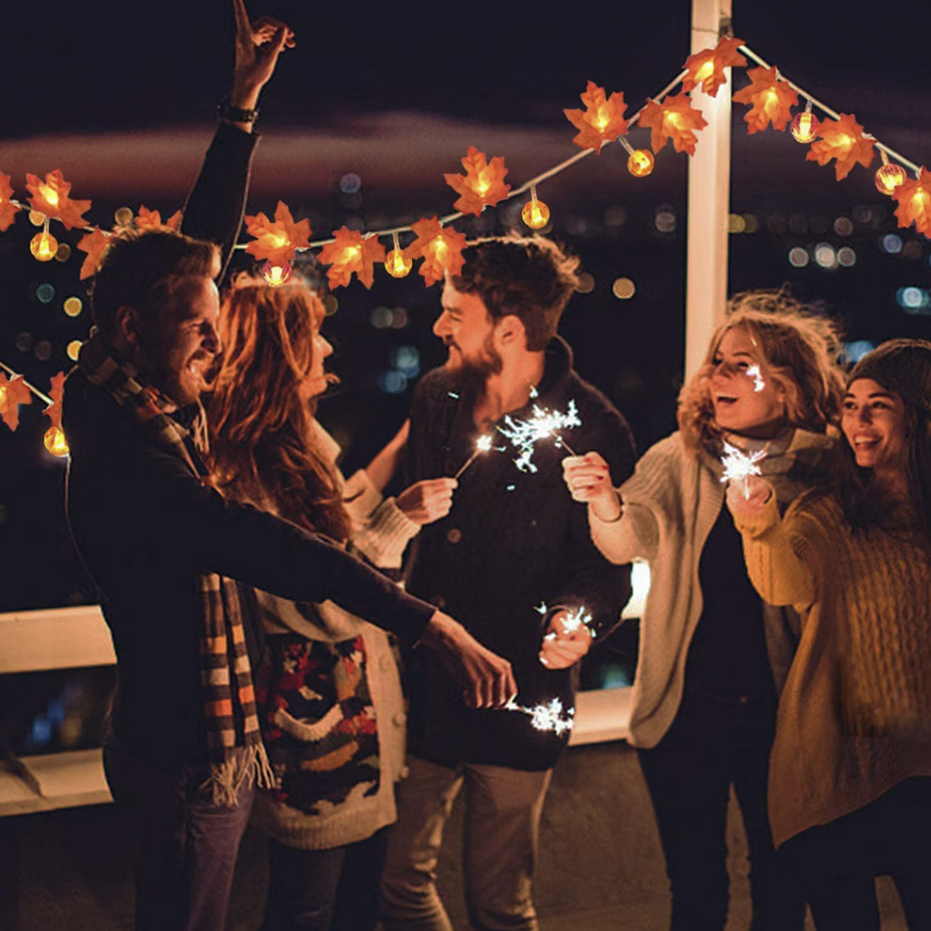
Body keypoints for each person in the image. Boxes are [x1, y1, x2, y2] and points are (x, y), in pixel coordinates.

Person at [61, 15, 515, 929]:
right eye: (198, 325)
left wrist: (240, 109)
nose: (215, 338)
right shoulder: (134, 453)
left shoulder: (127, 392)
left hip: (198, 745)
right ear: (131, 330)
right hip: (187, 757)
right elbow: (274, 547)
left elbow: (200, 257)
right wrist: (429, 624)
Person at [562, 291, 845, 931]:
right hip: (685, 715)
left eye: (740, 364)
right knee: (694, 888)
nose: (718, 376)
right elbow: (626, 539)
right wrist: (605, 501)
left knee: (782, 881)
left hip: (784, 719)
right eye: (716, 362)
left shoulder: (824, 471)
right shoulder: (682, 457)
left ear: (789, 385)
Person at [380, 235, 637, 931]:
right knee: (395, 881)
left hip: (521, 702)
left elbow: (606, 564)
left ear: (509, 330)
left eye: (452, 314)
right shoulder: (435, 397)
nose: (437, 327)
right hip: (424, 692)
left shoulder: (593, 427)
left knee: (499, 905)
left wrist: (574, 621)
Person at [208, 277, 423, 931]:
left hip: (358, 728)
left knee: (358, 903)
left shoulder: (302, 445)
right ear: (281, 354)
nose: (327, 346)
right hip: (319, 736)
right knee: (307, 908)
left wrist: (399, 478)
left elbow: (337, 535)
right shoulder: (246, 472)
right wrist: (397, 526)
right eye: (311, 335)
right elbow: (326, 607)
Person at [726, 339, 931, 931]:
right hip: (837, 770)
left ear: (919, 413)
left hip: (921, 766)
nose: (858, 422)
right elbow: (783, 584)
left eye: (879, 405)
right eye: (850, 405)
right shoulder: (827, 513)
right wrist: (759, 522)